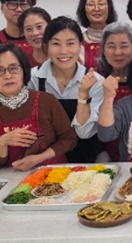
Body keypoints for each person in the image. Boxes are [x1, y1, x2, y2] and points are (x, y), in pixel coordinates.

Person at [0, 44, 77, 171]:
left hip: (53, 174)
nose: (8, 76)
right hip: (11, 178)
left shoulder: (47, 101)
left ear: (23, 71)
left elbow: (70, 138)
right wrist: (2, 142)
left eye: (13, 68)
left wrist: (38, 158)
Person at [28, 16, 106, 163]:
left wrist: (83, 95)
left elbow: (84, 133)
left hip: (87, 158)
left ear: (80, 46)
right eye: (56, 44)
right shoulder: (33, 78)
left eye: (70, 43)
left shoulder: (95, 81)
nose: (64, 51)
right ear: (46, 46)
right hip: (44, 158)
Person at [96, 22, 132, 161]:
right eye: (111, 46)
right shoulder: (96, 79)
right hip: (103, 150)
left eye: (124, 46)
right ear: (103, 50)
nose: (118, 52)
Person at [76, 0, 118, 69]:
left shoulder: (119, 38)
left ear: (109, 8)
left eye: (101, 4)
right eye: (91, 4)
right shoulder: (78, 41)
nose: (96, 9)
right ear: (84, 9)